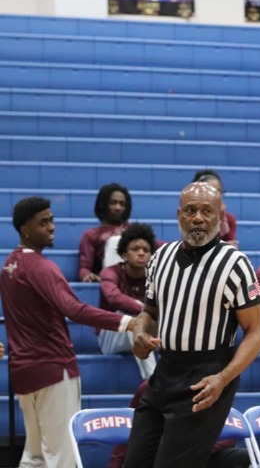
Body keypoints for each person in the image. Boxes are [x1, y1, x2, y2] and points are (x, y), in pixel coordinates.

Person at [124, 182, 260, 468]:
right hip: (165, 370)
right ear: (179, 215)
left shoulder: (235, 264)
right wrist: (139, 332)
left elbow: (256, 332)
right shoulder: (160, 257)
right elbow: (148, 313)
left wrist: (223, 379)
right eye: (190, 211)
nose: (198, 218)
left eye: (206, 211)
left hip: (207, 377)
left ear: (220, 216)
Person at [0, 196, 136, 467]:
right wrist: (127, 323)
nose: (52, 227)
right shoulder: (42, 267)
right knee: (63, 456)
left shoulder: (8, 266)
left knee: (35, 456)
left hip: (23, 372)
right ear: (25, 229)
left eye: (51, 220)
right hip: (53, 368)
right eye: (43, 222)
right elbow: (74, 309)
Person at [109, 380, 260, 468]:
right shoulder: (150, 387)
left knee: (245, 457)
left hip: (203, 453)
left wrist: (196, 449)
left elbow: (229, 434)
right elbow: (134, 429)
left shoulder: (213, 386)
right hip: (159, 452)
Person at [98, 223, 158, 380]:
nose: (141, 253)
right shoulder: (110, 272)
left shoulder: (155, 276)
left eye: (146, 250)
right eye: (135, 249)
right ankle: (152, 379)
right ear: (124, 255)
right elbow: (114, 297)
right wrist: (145, 310)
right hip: (111, 335)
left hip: (147, 335)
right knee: (133, 319)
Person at [78, 183, 132, 282]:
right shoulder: (91, 235)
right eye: (113, 203)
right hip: (109, 281)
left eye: (122, 204)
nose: (118, 208)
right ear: (103, 205)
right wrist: (88, 275)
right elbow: (84, 268)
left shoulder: (134, 231)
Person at [193, 169, 238, 246]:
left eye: (219, 191)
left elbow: (231, 247)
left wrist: (223, 221)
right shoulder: (192, 218)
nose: (216, 195)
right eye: (210, 191)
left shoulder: (229, 219)